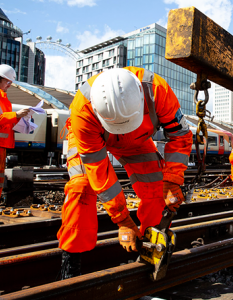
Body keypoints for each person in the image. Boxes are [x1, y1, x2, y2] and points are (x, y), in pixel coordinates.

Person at [57, 67, 192, 279]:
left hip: (138, 140)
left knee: (157, 189)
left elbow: (180, 137)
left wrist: (173, 179)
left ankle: (151, 250)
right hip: (91, 139)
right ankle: (70, 264)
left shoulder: (158, 91)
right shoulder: (82, 112)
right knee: (81, 188)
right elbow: (99, 172)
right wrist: (122, 220)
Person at [0, 65, 30, 207]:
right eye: (7, 82)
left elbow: (4, 121)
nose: (9, 86)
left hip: (1, 146)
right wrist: (15, 115)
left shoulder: (4, 99)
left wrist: (20, 121)